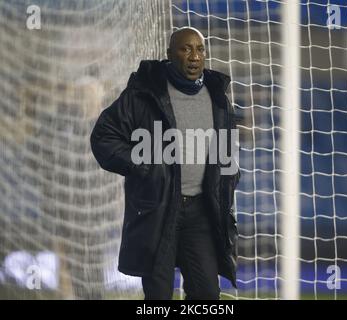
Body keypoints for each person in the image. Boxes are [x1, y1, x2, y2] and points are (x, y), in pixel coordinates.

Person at [90, 27, 240, 300]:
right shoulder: (144, 94)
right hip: (158, 210)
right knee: (158, 297)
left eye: (200, 49)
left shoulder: (219, 97)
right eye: (185, 49)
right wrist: (144, 166)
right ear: (170, 54)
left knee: (207, 294)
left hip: (201, 214)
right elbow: (103, 137)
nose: (194, 56)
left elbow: (226, 153)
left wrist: (228, 181)